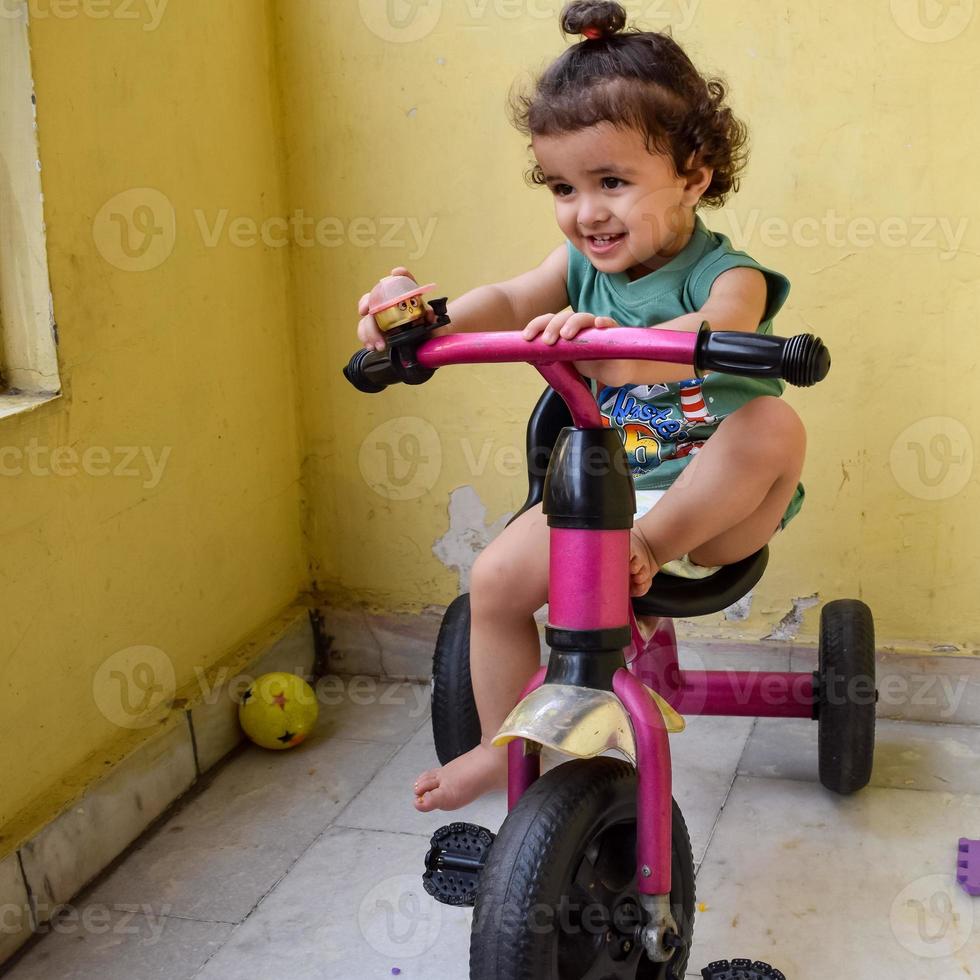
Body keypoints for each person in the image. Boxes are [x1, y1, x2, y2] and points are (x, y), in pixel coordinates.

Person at [356, 0, 807, 813]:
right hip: (615, 476)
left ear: (694, 176)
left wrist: (599, 345)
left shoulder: (729, 275)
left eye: (612, 182)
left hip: (716, 504)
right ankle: (505, 747)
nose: (586, 211)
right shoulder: (575, 267)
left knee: (773, 422)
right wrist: (417, 322)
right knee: (492, 583)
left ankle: (648, 545)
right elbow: (503, 298)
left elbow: (705, 336)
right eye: (563, 186)